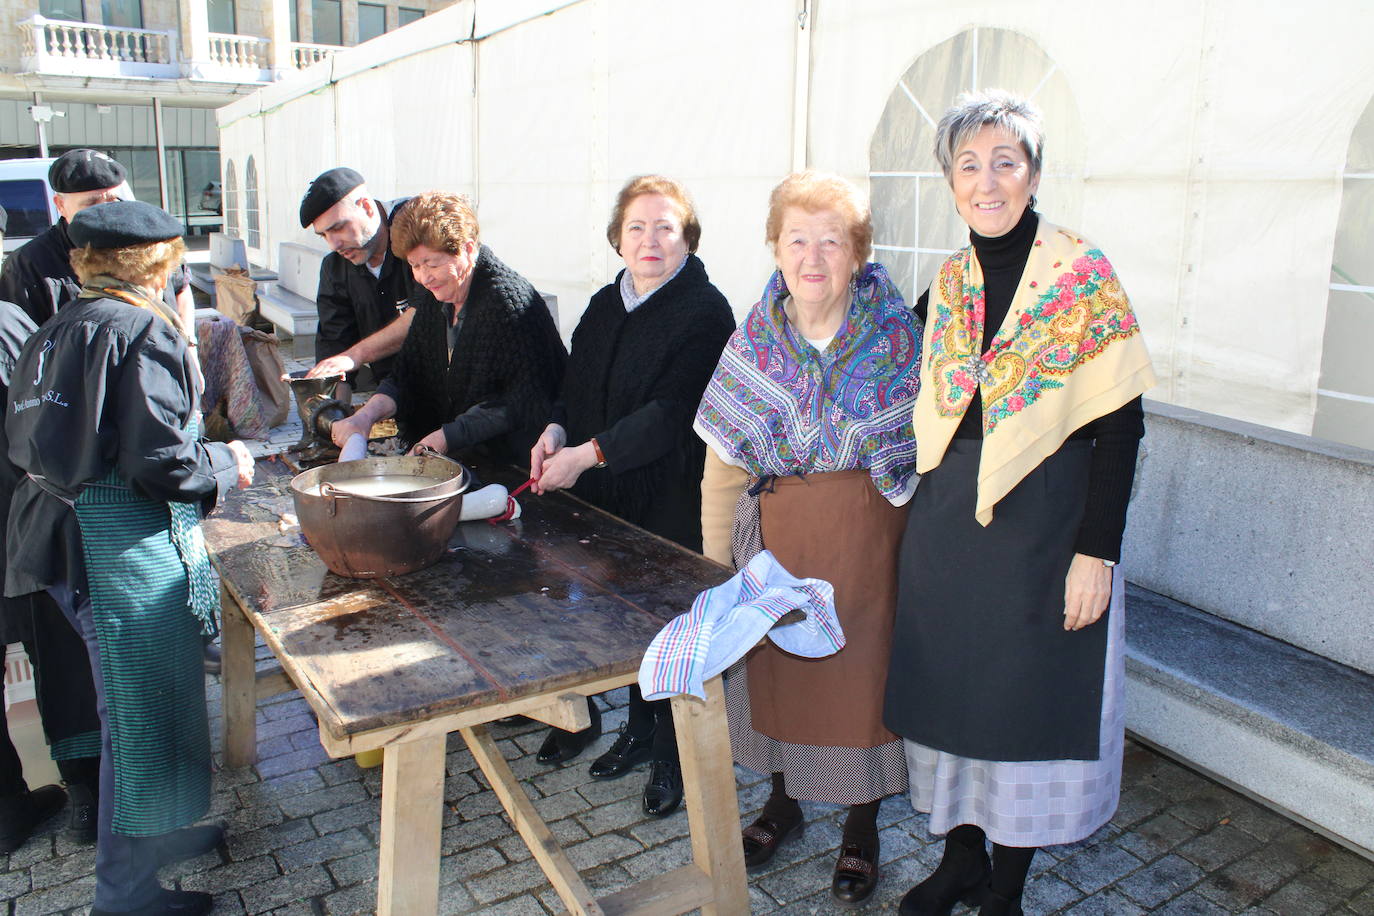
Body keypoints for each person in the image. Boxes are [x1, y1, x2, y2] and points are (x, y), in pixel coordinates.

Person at [884, 91, 1156, 916]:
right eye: (969, 164)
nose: (987, 180)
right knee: (953, 701)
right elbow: (914, 394)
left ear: (1033, 175)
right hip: (948, 529)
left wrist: (1097, 552)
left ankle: (1007, 887)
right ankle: (961, 862)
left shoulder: (1080, 277)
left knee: (1023, 707)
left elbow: (1122, 427)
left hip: (1046, 529)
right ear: (950, 181)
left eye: (1006, 161)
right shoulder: (949, 282)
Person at [5, 200, 256, 916]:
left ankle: (156, 839)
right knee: (137, 719)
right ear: (159, 261)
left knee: (149, 704)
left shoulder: (56, 326)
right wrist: (224, 462)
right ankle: (126, 897)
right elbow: (160, 461)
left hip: (50, 532)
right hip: (108, 543)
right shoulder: (141, 329)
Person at [694, 171, 922, 905]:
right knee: (779, 675)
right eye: (798, 239)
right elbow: (723, 464)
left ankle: (862, 824)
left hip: (870, 543)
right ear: (775, 248)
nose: (814, 257)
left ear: (858, 253)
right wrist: (713, 569)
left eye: (832, 240)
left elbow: (932, 451)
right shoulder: (752, 341)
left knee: (864, 683)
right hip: (778, 538)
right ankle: (783, 804)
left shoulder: (898, 337)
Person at [529, 175, 735, 817]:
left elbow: (675, 412)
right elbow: (573, 384)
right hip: (607, 494)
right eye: (637, 227)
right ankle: (641, 733)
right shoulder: (602, 304)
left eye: (665, 227)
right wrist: (556, 429)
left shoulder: (706, 312)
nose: (650, 240)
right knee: (625, 622)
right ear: (618, 237)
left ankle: (677, 757)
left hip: (671, 497)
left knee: (672, 627)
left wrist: (586, 455)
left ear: (687, 238)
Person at [329, 191, 566, 462]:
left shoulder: (507, 302)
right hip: (463, 453)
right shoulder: (436, 297)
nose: (423, 277)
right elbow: (408, 373)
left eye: (432, 263)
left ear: (466, 249)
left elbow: (518, 403)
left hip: (516, 461)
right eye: (414, 266)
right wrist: (365, 417)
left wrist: (447, 437)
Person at [299, 167, 419, 403]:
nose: (333, 244)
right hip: (392, 395)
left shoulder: (417, 227)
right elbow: (335, 348)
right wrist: (334, 415)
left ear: (365, 206)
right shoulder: (334, 268)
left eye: (337, 227)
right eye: (323, 235)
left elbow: (426, 314)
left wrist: (354, 355)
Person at [0, 149, 128, 324]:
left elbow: (176, 289)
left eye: (113, 201)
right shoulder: (28, 265)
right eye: (91, 204)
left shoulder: (144, 247)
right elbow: (22, 340)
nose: (105, 212)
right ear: (60, 205)